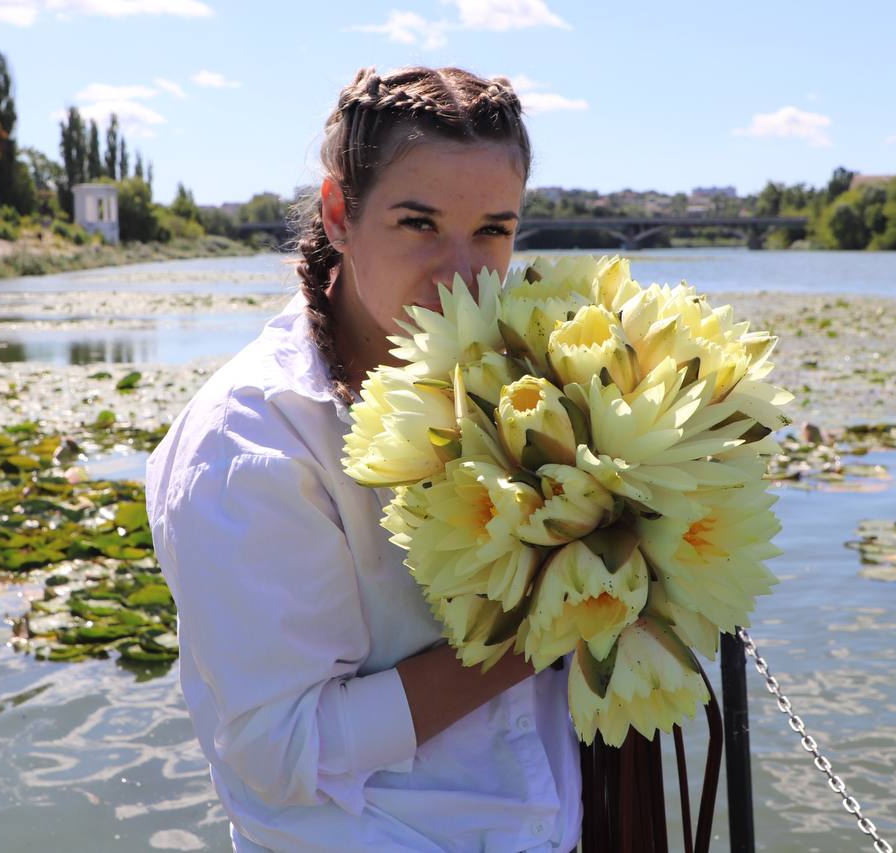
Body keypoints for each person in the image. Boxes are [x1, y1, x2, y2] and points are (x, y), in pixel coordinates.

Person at [145, 66, 581, 852]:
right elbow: (281, 749)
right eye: (420, 223)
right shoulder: (248, 442)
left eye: (493, 229)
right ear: (340, 214)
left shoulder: (531, 386)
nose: (462, 274)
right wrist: (557, 619)